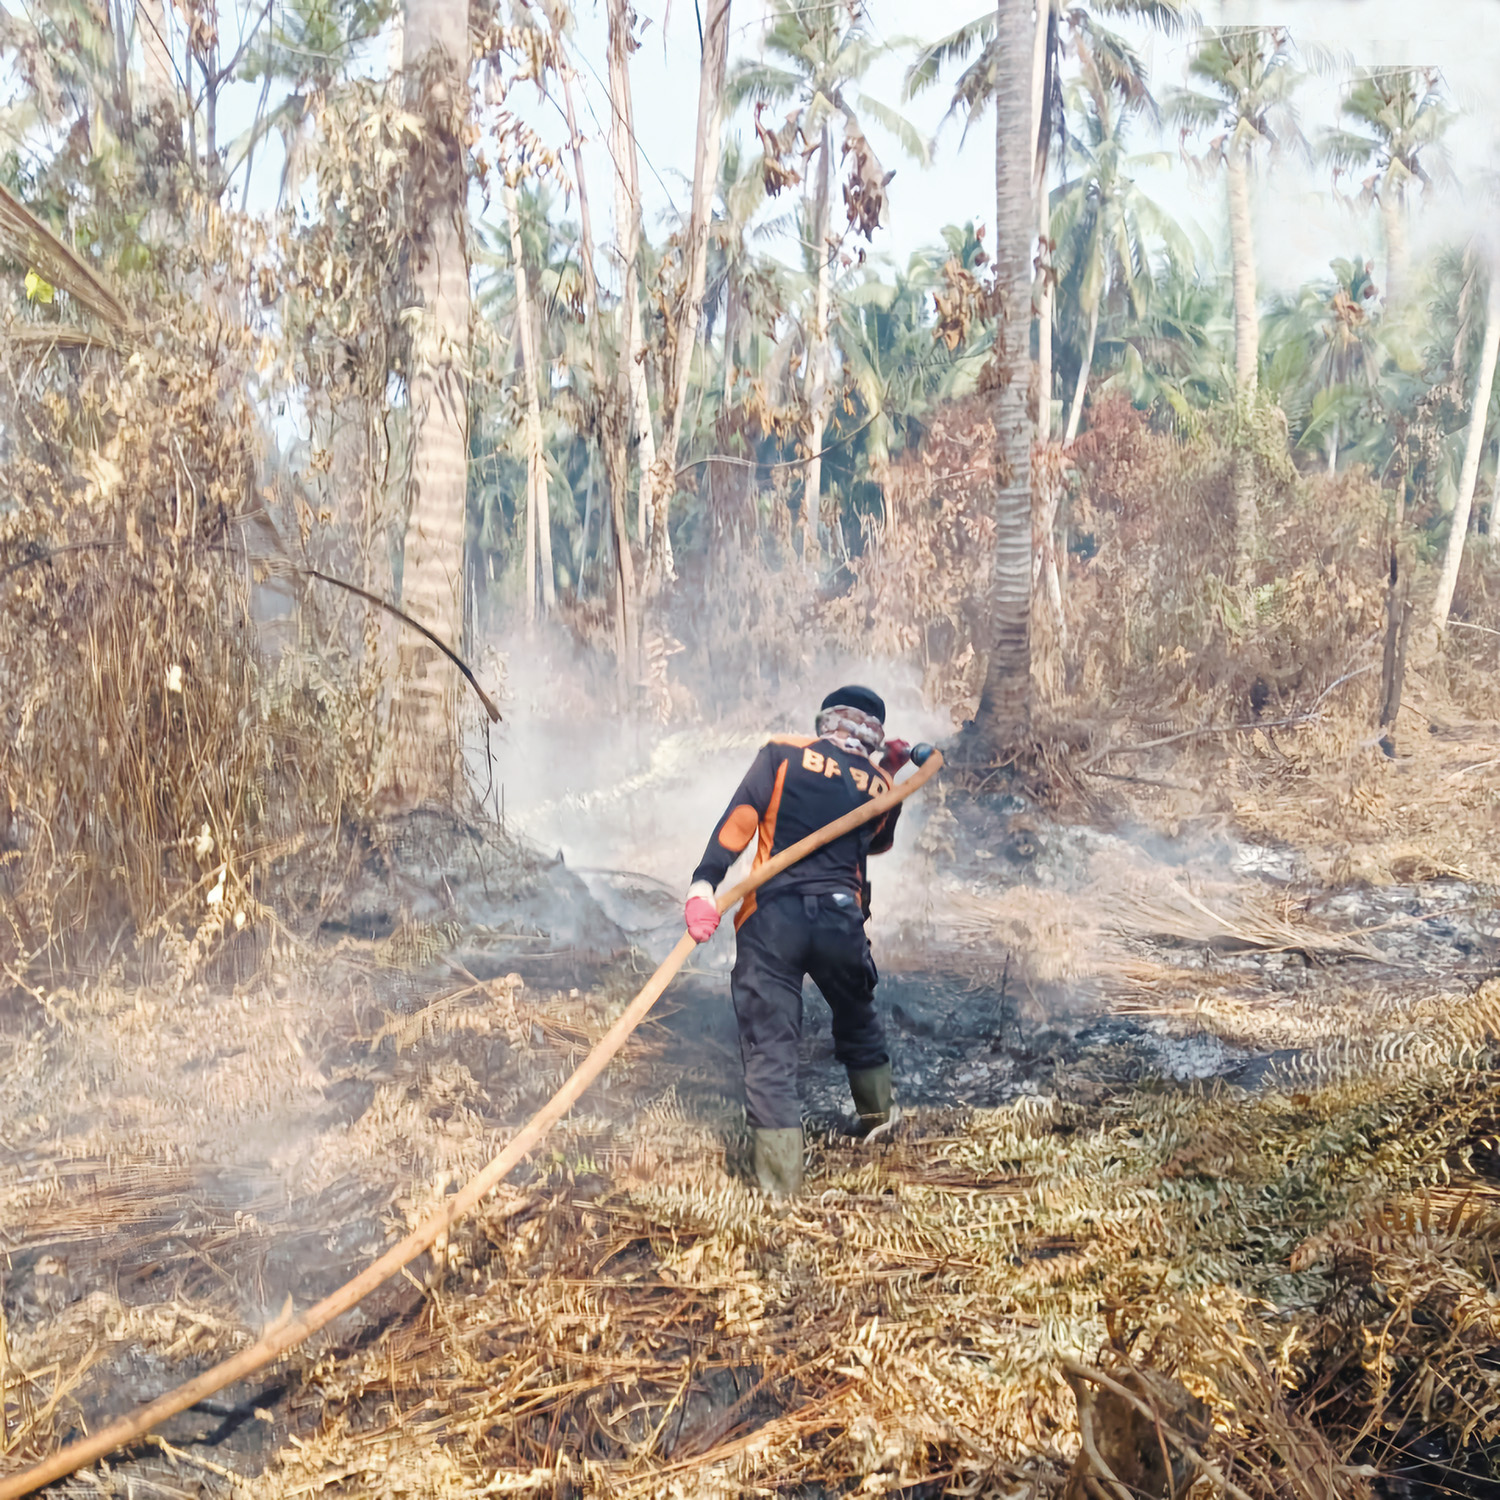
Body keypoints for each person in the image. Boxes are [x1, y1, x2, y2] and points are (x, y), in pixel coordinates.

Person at [683, 686, 912, 1197]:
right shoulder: (882, 786)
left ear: (825, 721)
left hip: (772, 920)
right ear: (874, 735)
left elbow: (739, 822)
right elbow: (874, 839)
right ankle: (879, 1123)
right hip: (841, 924)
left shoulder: (783, 753)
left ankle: (782, 1188)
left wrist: (704, 886)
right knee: (857, 1017)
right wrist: (887, 771)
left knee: (771, 1047)